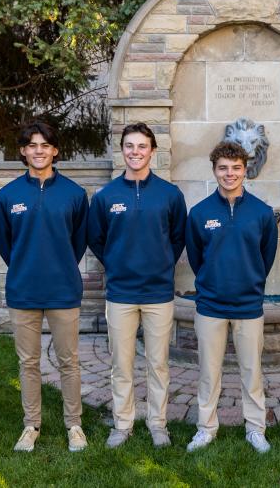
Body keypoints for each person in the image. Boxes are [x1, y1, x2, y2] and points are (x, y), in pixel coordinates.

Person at [87, 123, 187, 448]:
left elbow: (177, 238)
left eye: (142, 146)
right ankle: (123, 423)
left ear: (152, 151)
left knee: (158, 364)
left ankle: (158, 424)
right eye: (129, 146)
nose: (135, 152)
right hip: (121, 293)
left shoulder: (170, 195)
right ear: (122, 150)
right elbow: (96, 239)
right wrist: (117, 264)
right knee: (122, 364)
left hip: (158, 292)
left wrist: (160, 265)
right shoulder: (106, 196)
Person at [0, 121, 89, 453]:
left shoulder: (75, 194)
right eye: (32, 145)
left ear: (55, 150)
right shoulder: (8, 196)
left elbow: (77, 242)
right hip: (23, 291)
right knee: (28, 362)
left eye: (45, 145)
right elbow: (7, 246)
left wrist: (59, 266)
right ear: (23, 151)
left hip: (63, 290)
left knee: (69, 361)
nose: (38, 150)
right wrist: (26, 267)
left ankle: (74, 425)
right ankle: (31, 425)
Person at [185, 141, 278, 454]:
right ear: (214, 170)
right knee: (208, 373)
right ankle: (206, 428)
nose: (229, 173)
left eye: (236, 167)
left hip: (248, 306)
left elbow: (265, 258)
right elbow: (197, 258)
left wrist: (249, 282)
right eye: (223, 168)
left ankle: (255, 429)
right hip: (210, 305)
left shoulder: (262, 213)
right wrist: (213, 281)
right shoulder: (199, 213)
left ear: (245, 170)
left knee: (252, 372)